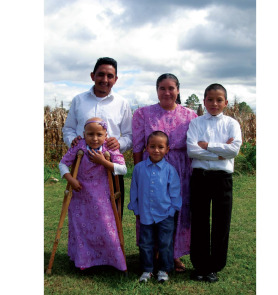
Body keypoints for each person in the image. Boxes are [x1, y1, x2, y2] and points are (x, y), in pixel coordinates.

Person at [132, 73, 197, 272]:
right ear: (157, 90)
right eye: (162, 88)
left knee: (175, 211)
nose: (167, 92)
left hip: (180, 169)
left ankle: (174, 254)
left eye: (171, 88)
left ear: (178, 90)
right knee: (150, 207)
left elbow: (193, 146)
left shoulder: (190, 115)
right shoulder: (143, 114)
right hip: (150, 168)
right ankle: (152, 253)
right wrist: (138, 172)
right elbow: (137, 146)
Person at [62, 57, 132, 217]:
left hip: (110, 167)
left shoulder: (122, 103)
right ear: (92, 75)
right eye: (101, 74)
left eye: (110, 76)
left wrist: (119, 143)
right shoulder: (79, 100)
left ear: (116, 79)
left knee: (112, 217)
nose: (105, 80)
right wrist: (72, 141)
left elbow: (130, 135)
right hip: (81, 169)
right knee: (82, 216)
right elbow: (68, 129)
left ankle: (112, 243)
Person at [186, 83, 242, 282]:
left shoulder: (231, 124)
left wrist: (208, 146)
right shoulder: (196, 123)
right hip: (200, 178)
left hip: (222, 179)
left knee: (221, 221)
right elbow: (192, 150)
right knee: (200, 221)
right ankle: (200, 265)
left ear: (225, 102)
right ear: (204, 101)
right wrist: (219, 154)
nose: (214, 103)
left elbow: (234, 150)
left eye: (219, 100)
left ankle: (215, 266)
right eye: (210, 99)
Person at [59, 117, 127, 271]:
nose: (95, 138)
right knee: (82, 227)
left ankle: (109, 259)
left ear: (105, 135)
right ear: (84, 134)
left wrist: (104, 162)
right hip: (80, 194)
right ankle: (85, 261)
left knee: (105, 227)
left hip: (102, 196)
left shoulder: (108, 148)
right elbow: (63, 163)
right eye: (90, 134)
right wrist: (70, 179)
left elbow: (123, 169)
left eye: (99, 134)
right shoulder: (79, 146)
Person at [128, 131, 182, 283]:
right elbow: (134, 189)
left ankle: (164, 270)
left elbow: (175, 192)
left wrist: (171, 211)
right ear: (146, 148)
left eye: (160, 147)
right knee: (146, 244)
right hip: (145, 214)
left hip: (165, 214)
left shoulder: (170, 170)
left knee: (165, 243)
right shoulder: (139, 169)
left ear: (167, 149)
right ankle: (147, 270)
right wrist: (136, 209)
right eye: (152, 146)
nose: (156, 150)